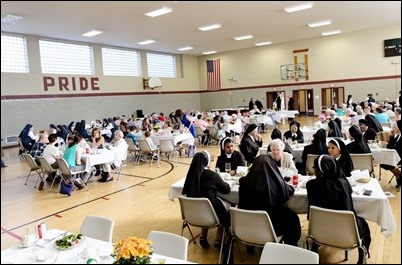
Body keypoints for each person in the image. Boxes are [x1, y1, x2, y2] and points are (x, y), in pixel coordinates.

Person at [306, 155, 371, 260]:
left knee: (320, 218)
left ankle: (315, 245)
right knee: (363, 224)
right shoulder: (344, 184)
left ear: (318, 170)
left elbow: (310, 214)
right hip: (346, 231)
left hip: (319, 230)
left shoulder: (311, 185)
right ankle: (362, 256)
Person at [238, 154, 301, 246]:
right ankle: (290, 246)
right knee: (293, 217)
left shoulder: (244, 183)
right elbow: (290, 191)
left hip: (248, 225)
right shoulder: (278, 184)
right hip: (273, 227)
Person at [182, 151, 231, 249]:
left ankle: (203, 236)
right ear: (207, 162)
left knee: (203, 206)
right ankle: (218, 239)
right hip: (211, 213)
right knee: (226, 207)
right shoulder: (211, 175)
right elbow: (226, 189)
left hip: (192, 215)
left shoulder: (190, 175)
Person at [379, 120, 402, 187]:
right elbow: (392, 145)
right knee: (383, 162)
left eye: (395, 127)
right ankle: (398, 176)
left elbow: (398, 148)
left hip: (400, 157)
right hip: (396, 155)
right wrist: (391, 136)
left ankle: (399, 175)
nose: (393, 128)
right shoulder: (398, 135)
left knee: (385, 163)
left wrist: (387, 145)